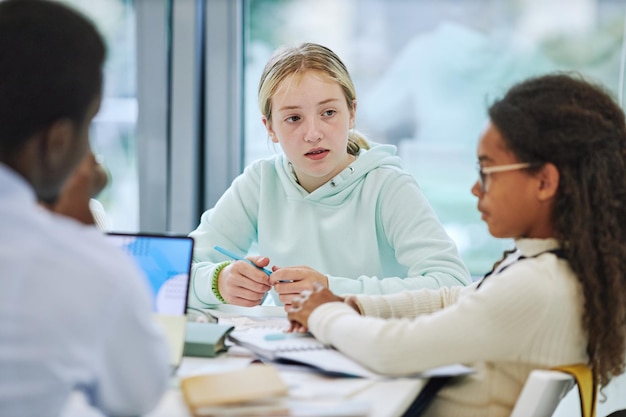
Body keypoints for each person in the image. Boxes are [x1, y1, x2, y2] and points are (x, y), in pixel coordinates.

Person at [286, 73, 626, 417]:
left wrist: (323, 313)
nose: (476, 189)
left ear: (544, 181)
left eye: (488, 171)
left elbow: (391, 351)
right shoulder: (554, 267)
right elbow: (454, 297)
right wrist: (355, 305)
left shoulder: (539, 285)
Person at [188, 42, 471, 309]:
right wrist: (218, 281)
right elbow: (171, 272)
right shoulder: (261, 183)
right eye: (293, 118)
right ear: (270, 127)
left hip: (373, 349)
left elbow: (453, 285)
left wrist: (332, 291)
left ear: (352, 113)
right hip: (287, 350)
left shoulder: (387, 186)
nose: (313, 134)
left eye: (328, 112)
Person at [0, 1, 170, 416]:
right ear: (57, 142)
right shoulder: (79, 269)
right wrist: (79, 228)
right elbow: (139, 395)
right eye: (89, 124)